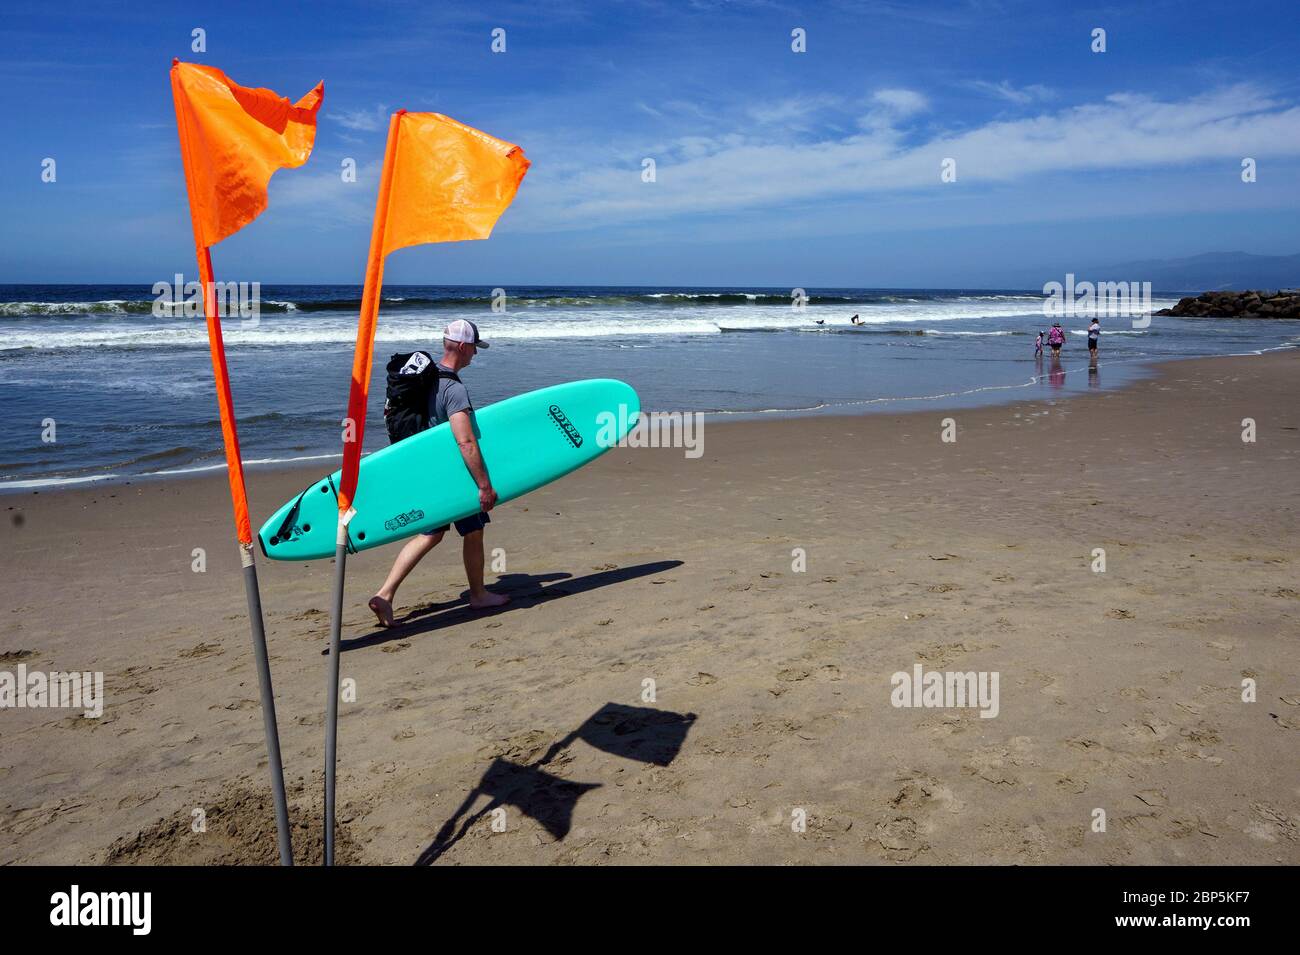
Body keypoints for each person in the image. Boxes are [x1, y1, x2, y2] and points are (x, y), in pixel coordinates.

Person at [368, 319, 509, 628]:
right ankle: (478, 594)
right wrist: (484, 485)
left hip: (425, 472)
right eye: (474, 347)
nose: (475, 353)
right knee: (470, 530)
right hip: (452, 475)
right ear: (462, 346)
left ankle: (386, 595)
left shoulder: (426, 379)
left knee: (432, 533)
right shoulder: (453, 388)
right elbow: (466, 440)